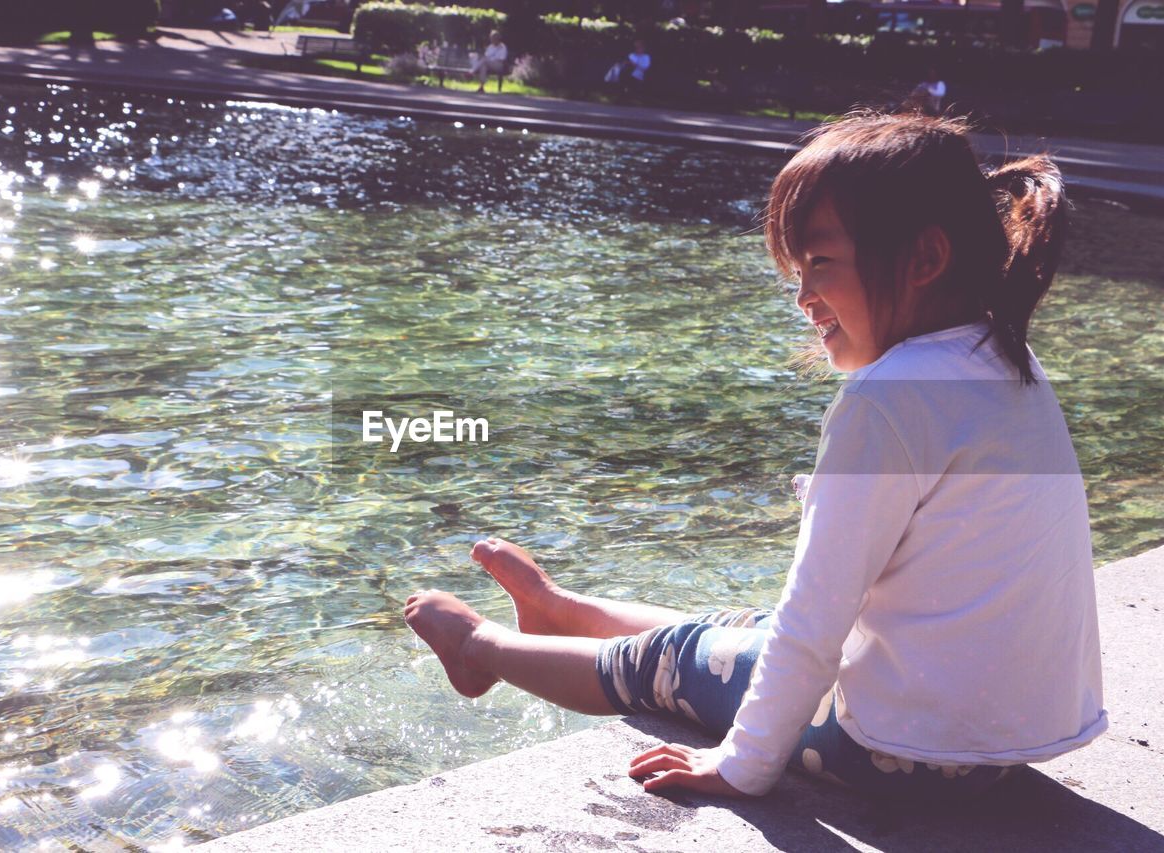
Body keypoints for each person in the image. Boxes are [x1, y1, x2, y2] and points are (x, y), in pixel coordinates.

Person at [404, 112, 1107, 801]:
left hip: (902, 752)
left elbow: (814, 618)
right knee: (739, 630)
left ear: (923, 258)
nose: (802, 296)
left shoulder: (890, 398)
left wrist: (741, 765)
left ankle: (481, 650)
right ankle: (561, 609)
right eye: (796, 270)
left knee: (672, 661)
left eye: (821, 263)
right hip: (1003, 746)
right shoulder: (1002, 356)